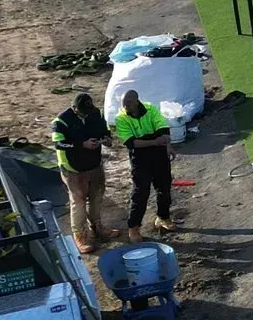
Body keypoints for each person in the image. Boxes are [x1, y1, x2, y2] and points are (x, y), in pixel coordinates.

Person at [113, 89, 175, 241]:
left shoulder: (150, 109)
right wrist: (155, 141)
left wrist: (167, 144)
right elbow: (131, 143)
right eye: (123, 104)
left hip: (159, 154)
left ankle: (163, 217)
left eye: (128, 103)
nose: (125, 106)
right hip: (140, 158)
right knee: (140, 192)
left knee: (164, 187)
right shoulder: (121, 118)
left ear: (136, 101)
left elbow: (163, 129)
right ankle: (133, 227)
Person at [51, 91, 110, 251]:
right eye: (83, 112)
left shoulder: (95, 113)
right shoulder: (61, 122)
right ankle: (81, 237)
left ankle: (98, 228)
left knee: (97, 197)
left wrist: (106, 139)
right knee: (78, 202)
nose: (86, 115)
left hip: (94, 164)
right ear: (74, 108)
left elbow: (104, 131)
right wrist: (81, 144)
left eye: (88, 112)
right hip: (73, 169)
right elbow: (58, 144)